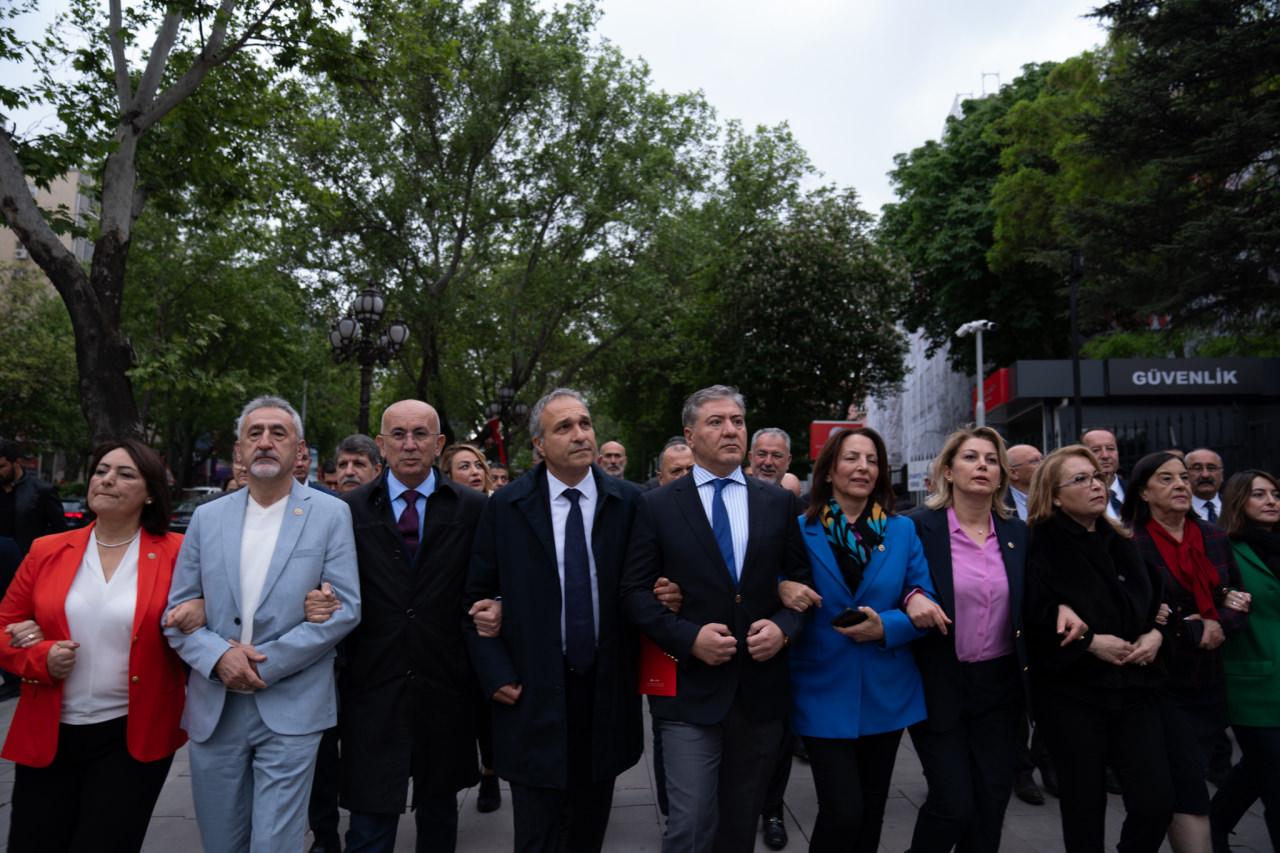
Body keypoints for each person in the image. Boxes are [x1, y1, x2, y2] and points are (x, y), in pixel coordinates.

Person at [164, 395, 362, 853]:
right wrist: (220, 658)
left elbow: (346, 609)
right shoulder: (207, 518)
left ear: (299, 449)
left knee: (276, 842)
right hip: (215, 706)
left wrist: (258, 666)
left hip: (291, 705)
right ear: (238, 452)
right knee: (221, 841)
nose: (266, 442)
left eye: (278, 433)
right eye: (255, 434)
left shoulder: (331, 514)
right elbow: (176, 618)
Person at [621, 385, 810, 853]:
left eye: (737, 421)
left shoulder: (778, 502)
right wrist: (688, 639)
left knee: (738, 827)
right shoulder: (657, 506)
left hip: (759, 692)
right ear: (690, 434)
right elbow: (633, 593)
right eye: (716, 422)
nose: (730, 430)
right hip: (689, 692)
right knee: (688, 825)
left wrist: (784, 629)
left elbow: (801, 585)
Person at [464, 388, 644, 852]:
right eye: (564, 427)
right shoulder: (507, 507)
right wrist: (495, 673)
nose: (580, 434)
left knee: (589, 828)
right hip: (533, 690)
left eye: (585, 423)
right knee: (538, 834)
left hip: (603, 691)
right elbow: (476, 598)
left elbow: (642, 586)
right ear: (539, 446)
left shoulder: (628, 502)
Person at [0, 439, 188, 852]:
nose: (107, 480)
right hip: (49, 733)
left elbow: (204, 619)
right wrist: (39, 657)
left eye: (125, 474)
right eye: (102, 470)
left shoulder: (178, 554)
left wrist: (199, 612)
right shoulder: (47, 551)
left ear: (151, 491)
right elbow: (5, 627)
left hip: (131, 736)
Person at [323, 400, 489, 852]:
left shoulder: (472, 509)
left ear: (438, 445)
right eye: (398, 435)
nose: (409, 444)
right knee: (369, 827)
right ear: (381, 445)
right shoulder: (347, 510)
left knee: (439, 818)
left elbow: (492, 580)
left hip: (446, 686)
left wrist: (497, 606)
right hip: (373, 686)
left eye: (420, 435)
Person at [783, 427, 947, 853]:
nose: (863, 468)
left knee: (872, 811)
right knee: (842, 810)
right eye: (852, 458)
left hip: (885, 689)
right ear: (830, 469)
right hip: (820, 686)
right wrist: (782, 587)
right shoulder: (799, 528)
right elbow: (779, 585)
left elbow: (922, 595)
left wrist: (887, 627)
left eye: (872, 460)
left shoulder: (901, 531)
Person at [1024, 445, 1173, 852]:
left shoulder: (1122, 539)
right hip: (1074, 696)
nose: (1095, 485)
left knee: (1156, 801)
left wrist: (1156, 634)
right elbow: (1030, 619)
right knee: (1084, 809)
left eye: (1097, 477)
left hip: (1137, 689)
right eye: (1080, 479)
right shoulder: (1038, 545)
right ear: (1054, 495)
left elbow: (1162, 601)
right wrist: (1090, 644)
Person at [905, 426, 1046, 853]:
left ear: (1002, 476)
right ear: (947, 470)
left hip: (1000, 689)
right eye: (970, 457)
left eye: (990, 460)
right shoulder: (916, 528)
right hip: (938, 682)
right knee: (952, 804)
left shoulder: (1018, 534)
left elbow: (1037, 597)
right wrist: (912, 597)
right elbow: (892, 583)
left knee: (990, 805)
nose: (981, 466)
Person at [1123, 451, 1249, 853]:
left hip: (1209, 682)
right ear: (1143, 491)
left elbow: (1239, 603)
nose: (1181, 484)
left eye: (1183, 477)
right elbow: (1135, 618)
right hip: (1160, 685)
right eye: (1166, 479)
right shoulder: (1130, 542)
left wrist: (1214, 623)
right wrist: (1192, 628)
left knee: (1178, 789)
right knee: (1185, 786)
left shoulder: (1213, 537)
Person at [1210, 470, 1280, 853]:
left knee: (1258, 769)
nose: (1271, 500)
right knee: (1274, 776)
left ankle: (1214, 823)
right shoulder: (1225, 547)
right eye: (1259, 494)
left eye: (1275, 493)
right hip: (1253, 682)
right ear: (1239, 501)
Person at [748, 426, 798, 849]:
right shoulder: (734, 501)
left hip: (788, 642)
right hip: (739, 641)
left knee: (780, 739)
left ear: (787, 464)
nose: (767, 461)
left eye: (775, 456)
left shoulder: (795, 509)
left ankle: (773, 810)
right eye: (760, 453)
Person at [1082, 429, 1125, 521]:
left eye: (1110, 449)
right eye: (1096, 450)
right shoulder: (1078, 497)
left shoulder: (1136, 491)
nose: (1105, 455)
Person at [1186, 448, 1225, 525]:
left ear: (1222, 475)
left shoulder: (1234, 507)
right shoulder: (1179, 510)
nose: (1205, 475)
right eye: (1197, 468)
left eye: (1211, 468)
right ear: (1185, 474)